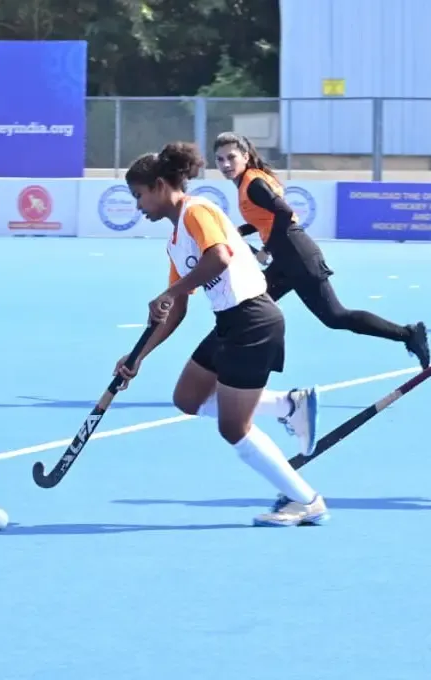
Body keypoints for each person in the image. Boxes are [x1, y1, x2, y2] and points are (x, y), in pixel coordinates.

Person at [114, 141, 329, 527]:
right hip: (229, 322)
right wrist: (137, 358)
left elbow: (220, 257)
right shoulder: (175, 242)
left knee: (233, 427)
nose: (138, 206)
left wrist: (170, 291)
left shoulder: (197, 211)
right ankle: (287, 406)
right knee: (187, 397)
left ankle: (306, 500)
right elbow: (175, 310)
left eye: (140, 195)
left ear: (161, 185)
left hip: (254, 320)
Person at [212, 132, 431, 370]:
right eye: (220, 159)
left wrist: (265, 250)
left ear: (245, 156)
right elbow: (265, 219)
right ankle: (236, 366)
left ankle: (408, 334)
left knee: (335, 316)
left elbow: (284, 213)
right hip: (287, 258)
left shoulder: (253, 184)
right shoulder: (249, 183)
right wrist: (239, 231)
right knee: (250, 307)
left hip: (298, 256)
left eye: (231, 158)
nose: (225, 164)